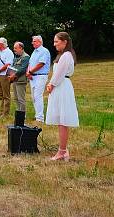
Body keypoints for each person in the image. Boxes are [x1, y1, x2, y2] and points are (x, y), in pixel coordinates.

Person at [46, 32, 79, 161]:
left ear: (65, 42)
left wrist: (51, 84)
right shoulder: (63, 55)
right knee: (61, 120)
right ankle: (63, 149)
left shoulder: (66, 55)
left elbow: (59, 74)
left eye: (56, 42)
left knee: (63, 120)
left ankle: (62, 151)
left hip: (62, 87)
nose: (54, 44)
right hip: (61, 86)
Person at [27, 35, 51, 124]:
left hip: (41, 76)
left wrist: (30, 72)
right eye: (32, 41)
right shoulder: (34, 52)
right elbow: (30, 63)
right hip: (33, 76)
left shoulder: (44, 51)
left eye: (34, 41)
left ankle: (40, 118)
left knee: (38, 96)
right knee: (33, 97)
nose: (32, 43)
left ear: (40, 42)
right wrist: (28, 72)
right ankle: (37, 115)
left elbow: (41, 64)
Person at [8, 42, 30, 124]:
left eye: (16, 48)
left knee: (21, 99)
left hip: (21, 81)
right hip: (15, 81)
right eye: (14, 48)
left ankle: (23, 115)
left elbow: (23, 69)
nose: (14, 50)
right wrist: (10, 74)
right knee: (16, 99)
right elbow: (13, 66)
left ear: (21, 48)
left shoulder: (26, 57)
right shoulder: (16, 57)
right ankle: (18, 114)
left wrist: (13, 75)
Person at [0, 37, 14, 117]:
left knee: (6, 95)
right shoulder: (0, 52)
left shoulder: (8, 52)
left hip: (4, 75)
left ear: (2, 44)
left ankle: (5, 113)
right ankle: (1, 111)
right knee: (1, 94)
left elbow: (8, 64)